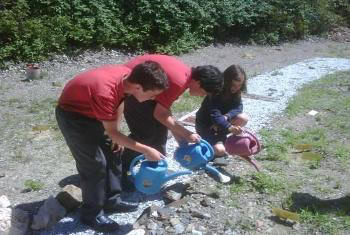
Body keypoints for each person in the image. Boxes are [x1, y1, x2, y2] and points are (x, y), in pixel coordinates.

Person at [55, 61, 169, 232]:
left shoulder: (127, 78)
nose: (153, 99)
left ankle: (111, 201)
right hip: (74, 117)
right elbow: (112, 120)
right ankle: (91, 214)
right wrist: (147, 149)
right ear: (139, 87)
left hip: (93, 112)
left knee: (114, 151)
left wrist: (116, 132)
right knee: (95, 165)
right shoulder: (105, 92)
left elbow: (120, 102)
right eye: (152, 95)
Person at [121, 54, 223, 191]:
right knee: (145, 135)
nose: (202, 96)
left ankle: (153, 171)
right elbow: (160, 114)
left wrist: (181, 139)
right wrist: (187, 133)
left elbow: (164, 112)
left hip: (144, 88)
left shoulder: (185, 75)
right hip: (132, 89)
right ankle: (119, 172)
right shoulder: (180, 81)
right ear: (199, 83)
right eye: (204, 92)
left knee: (160, 132)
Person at [195, 64, 249, 158]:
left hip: (220, 125)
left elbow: (239, 107)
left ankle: (223, 139)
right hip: (207, 126)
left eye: (239, 85)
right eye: (233, 85)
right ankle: (207, 143)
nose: (236, 88)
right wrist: (229, 127)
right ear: (227, 81)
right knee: (220, 151)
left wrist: (227, 116)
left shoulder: (236, 92)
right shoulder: (215, 92)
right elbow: (215, 115)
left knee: (243, 118)